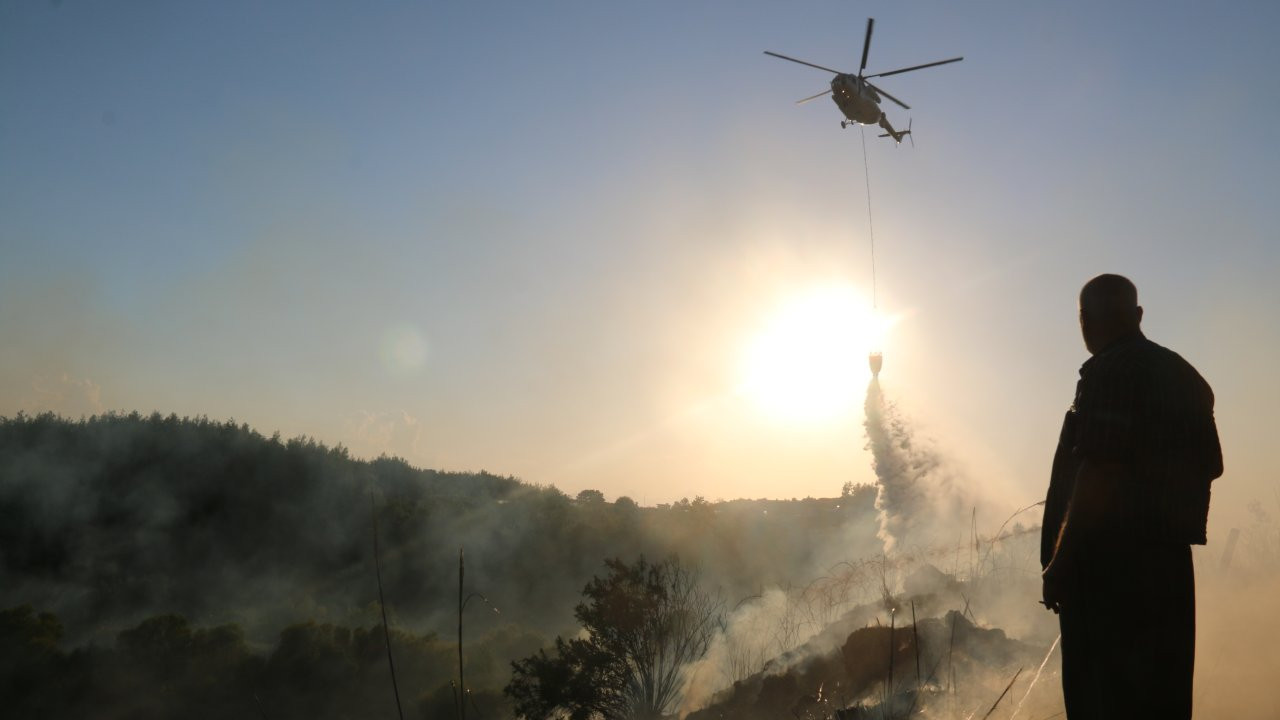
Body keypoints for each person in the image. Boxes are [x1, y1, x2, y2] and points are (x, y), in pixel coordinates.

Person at [1040, 274, 1222, 720]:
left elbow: (1100, 470)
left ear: (1083, 322)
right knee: (1164, 698)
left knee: (1102, 700)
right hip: (1170, 573)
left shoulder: (1107, 372)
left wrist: (1060, 564)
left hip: (1108, 577)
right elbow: (1212, 465)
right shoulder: (1186, 377)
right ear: (1138, 316)